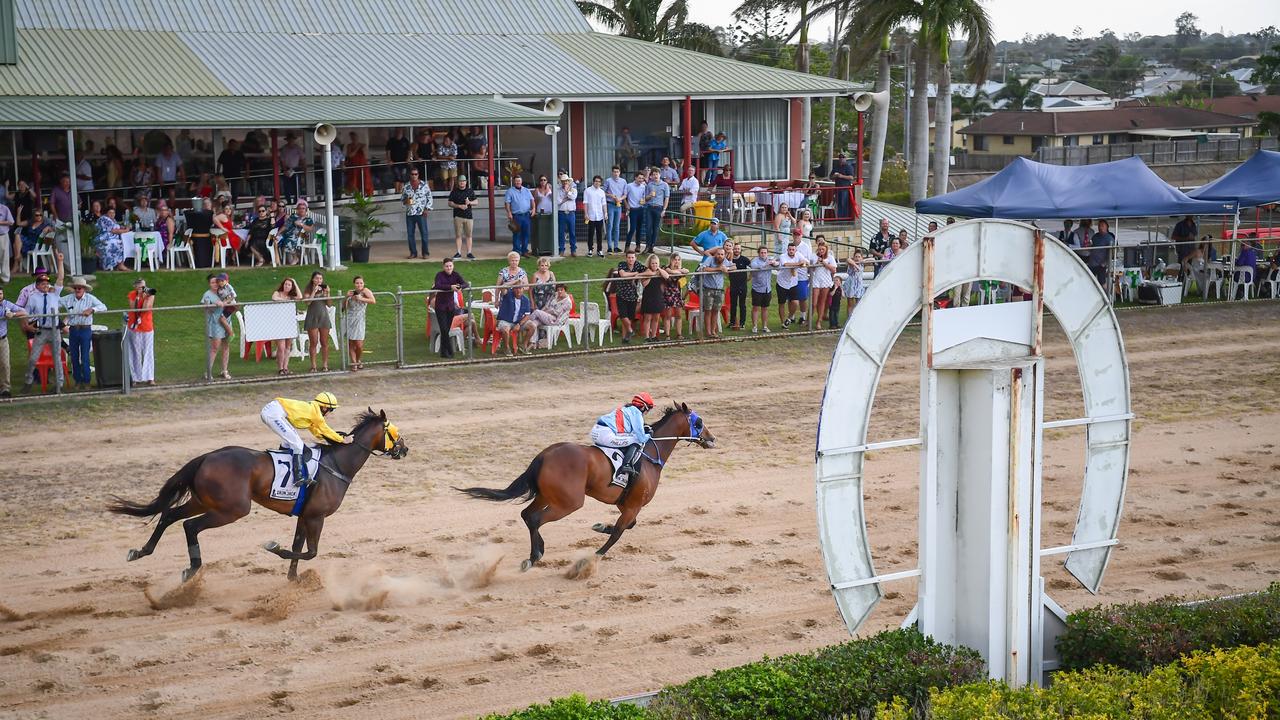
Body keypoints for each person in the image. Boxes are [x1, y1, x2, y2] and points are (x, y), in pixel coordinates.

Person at [259, 392, 346, 488]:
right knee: (297, 444)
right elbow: (325, 429)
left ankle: (282, 466)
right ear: (325, 408)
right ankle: (298, 477)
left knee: (289, 442)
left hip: (275, 412)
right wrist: (342, 439)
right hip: (273, 414)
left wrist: (330, 438)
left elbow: (315, 430)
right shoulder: (315, 413)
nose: (330, 413)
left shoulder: (314, 409)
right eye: (331, 410)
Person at [19, 254, 65, 393]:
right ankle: (28, 381)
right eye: (43, 284)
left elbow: (61, 278)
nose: (46, 286)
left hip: (54, 330)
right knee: (33, 358)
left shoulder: (54, 294)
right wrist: (26, 325)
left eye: (47, 283)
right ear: (38, 285)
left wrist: (60, 261)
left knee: (57, 358)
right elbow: (25, 312)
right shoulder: (33, 298)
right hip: (41, 331)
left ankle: (59, 384)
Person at [589, 392, 656, 484]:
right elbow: (641, 438)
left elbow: (629, 430)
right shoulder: (637, 414)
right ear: (644, 407)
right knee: (637, 440)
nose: (647, 412)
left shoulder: (626, 409)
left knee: (632, 437)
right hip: (605, 435)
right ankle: (626, 464)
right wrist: (649, 434)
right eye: (649, 409)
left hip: (596, 432)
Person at [60, 276, 106, 390]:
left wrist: (92, 310)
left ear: (84, 289)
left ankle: (86, 381)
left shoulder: (90, 298)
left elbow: (103, 307)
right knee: (74, 356)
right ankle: (77, 380)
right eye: (76, 288)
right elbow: (55, 302)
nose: (77, 290)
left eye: (80, 288)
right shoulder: (68, 298)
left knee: (85, 356)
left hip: (85, 329)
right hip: (73, 329)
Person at [430, 259, 467, 359]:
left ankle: (443, 352)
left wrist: (459, 286)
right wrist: (451, 287)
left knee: (446, 329)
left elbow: (465, 283)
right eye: (447, 266)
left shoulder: (455, 275)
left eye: (450, 266)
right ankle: (449, 350)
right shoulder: (439, 275)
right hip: (440, 306)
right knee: (443, 329)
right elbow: (438, 285)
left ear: (453, 266)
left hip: (450, 307)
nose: (449, 268)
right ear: (443, 267)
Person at [519, 283, 571, 353]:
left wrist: (542, 313)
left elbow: (556, 312)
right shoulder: (555, 295)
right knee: (533, 324)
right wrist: (542, 312)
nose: (559, 292)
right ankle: (531, 344)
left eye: (561, 290)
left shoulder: (567, 302)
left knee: (537, 312)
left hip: (555, 320)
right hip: (547, 316)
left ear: (565, 290)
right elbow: (547, 306)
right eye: (558, 290)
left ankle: (522, 324)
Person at [201, 274, 232, 380]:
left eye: (216, 282)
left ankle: (224, 370)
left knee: (226, 346)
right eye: (212, 282)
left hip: (227, 321)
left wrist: (226, 302)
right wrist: (215, 305)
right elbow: (205, 308)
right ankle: (208, 372)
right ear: (209, 284)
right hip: (215, 323)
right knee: (215, 348)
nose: (215, 284)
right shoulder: (207, 294)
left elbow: (232, 298)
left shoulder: (224, 291)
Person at [126, 278, 156, 385]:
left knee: (148, 351)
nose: (143, 289)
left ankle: (150, 377)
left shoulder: (150, 294)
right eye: (140, 287)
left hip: (147, 326)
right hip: (134, 327)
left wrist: (145, 297)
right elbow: (133, 308)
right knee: (135, 352)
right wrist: (138, 297)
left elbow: (146, 308)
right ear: (135, 287)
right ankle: (136, 378)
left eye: (143, 286)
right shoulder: (132, 294)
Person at [0, 285, 28, 397]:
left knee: (5, 364)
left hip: (2, 339)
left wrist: (13, 314)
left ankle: (5, 388)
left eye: (0, 293)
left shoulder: (7, 304)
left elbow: (24, 312)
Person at [271, 278, 302, 376]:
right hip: (279, 323)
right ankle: (280, 368)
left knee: (288, 346)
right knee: (281, 347)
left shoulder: (292, 296)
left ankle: (285, 367)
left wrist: (295, 282)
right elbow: (274, 298)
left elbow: (300, 296)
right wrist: (284, 300)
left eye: (289, 285)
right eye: (286, 284)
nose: (287, 286)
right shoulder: (277, 293)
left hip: (290, 322)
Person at [698, 246, 731, 339]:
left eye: (722, 254)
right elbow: (704, 269)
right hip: (708, 289)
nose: (720, 256)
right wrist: (719, 268)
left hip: (719, 290)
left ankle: (713, 331)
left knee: (716, 311)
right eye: (718, 254)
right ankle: (708, 332)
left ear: (724, 256)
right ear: (715, 254)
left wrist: (727, 269)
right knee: (708, 311)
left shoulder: (725, 261)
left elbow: (733, 266)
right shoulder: (710, 259)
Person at [302, 271, 332, 372]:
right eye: (317, 278)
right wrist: (314, 292)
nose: (319, 280)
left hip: (323, 317)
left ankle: (325, 365)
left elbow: (329, 304)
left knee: (324, 342)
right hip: (312, 317)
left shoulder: (324, 289)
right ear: (312, 279)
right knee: (313, 342)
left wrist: (328, 293)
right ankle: (313, 366)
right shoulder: (308, 289)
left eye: (320, 278)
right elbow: (307, 302)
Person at [344, 276, 376, 368]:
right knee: (351, 343)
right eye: (357, 283)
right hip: (350, 319)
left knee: (359, 344)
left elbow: (373, 301)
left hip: (360, 320)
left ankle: (358, 360)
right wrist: (347, 297)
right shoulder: (351, 292)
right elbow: (343, 308)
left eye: (361, 283)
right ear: (354, 284)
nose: (359, 285)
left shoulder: (365, 291)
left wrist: (361, 298)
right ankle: (354, 363)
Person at [402, 168, 433, 259]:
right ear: (410, 175)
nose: (414, 175)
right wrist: (407, 201)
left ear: (418, 174)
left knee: (424, 233)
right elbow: (402, 199)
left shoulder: (424, 185)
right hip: (410, 213)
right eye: (412, 174)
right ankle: (413, 253)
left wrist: (427, 209)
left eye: (416, 174)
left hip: (421, 213)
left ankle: (425, 253)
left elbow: (429, 197)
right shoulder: (406, 186)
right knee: (410, 234)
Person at [639, 254, 669, 342]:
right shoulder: (646, 271)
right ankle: (647, 337)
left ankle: (654, 335)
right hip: (648, 296)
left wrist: (659, 269)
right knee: (648, 318)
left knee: (656, 318)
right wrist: (651, 275)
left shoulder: (660, 272)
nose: (654, 265)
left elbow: (667, 276)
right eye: (652, 264)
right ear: (649, 264)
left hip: (658, 296)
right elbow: (644, 284)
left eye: (656, 263)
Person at [495, 284, 533, 355]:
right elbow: (503, 287)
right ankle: (506, 348)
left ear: (523, 289)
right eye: (516, 288)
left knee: (532, 326)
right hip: (505, 320)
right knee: (506, 329)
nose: (518, 290)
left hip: (517, 322)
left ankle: (523, 346)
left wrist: (519, 324)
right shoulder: (507, 295)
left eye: (520, 288)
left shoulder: (526, 300)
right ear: (513, 289)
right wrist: (516, 281)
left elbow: (527, 315)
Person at [749, 245, 778, 334]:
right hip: (757, 289)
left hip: (767, 289)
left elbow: (778, 265)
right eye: (761, 252)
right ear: (758, 253)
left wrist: (775, 263)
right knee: (755, 308)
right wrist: (766, 264)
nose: (763, 254)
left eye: (765, 253)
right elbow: (754, 267)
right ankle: (755, 327)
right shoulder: (755, 261)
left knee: (765, 308)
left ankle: (765, 326)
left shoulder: (770, 260)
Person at [615, 250, 642, 343]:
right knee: (623, 316)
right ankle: (630, 331)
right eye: (629, 257)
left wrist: (639, 274)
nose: (631, 259)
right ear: (626, 258)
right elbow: (623, 275)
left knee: (629, 317)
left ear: (635, 258)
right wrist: (635, 274)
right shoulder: (622, 264)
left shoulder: (638, 265)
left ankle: (625, 338)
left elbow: (649, 271)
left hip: (633, 296)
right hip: (621, 295)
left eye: (632, 257)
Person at [504, 174, 533, 257]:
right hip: (516, 216)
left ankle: (525, 250)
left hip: (526, 215)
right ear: (514, 182)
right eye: (516, 181)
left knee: (526, 234)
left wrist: (533, 209)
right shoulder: (510, 191)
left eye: (519, 181)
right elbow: (507, 203)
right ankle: (517, 251)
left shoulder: (527, 190)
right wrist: (509, 212)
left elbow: (532, 200)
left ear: (521, 181)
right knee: (517, 233)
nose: (518, 182)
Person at [810, 240, 837, 332]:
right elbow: (810, 269)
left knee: (822, 302)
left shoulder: (830, 257)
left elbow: (834, 270)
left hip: (825, 281)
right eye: (820, 249)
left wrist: (825, 263)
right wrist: (816, 263)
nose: (821, 251)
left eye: (823, 249)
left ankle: (819, 321)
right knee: (814, 303)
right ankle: (808, 320)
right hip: (816, 280)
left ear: (826, 249)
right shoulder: (813, 256)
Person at [449, 175, 477, 260]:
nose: (462, 183)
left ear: (466, 182)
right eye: (460, 181)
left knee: (469, 235)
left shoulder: (470, 191)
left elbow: (476, 202)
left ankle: (469, 253)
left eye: (463, 181)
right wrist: (459, 206)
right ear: (458, 182)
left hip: (469, 216)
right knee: (458, 235)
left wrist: (469, 203)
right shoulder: (454, 191)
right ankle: (458, 253)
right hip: (458, 216)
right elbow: (450, 203)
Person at [94, 206, 130, 272]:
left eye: (113, 213)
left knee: (121, 242)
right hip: (103, 239)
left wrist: (123, 227)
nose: (112, 214)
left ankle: (119, 264)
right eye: (110, 212)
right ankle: (117, 265)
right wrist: (126, 230)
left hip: (109, 239)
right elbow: (113, 230)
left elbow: (116, 227)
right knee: (118, 243)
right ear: (106, 213)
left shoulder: (113, 220)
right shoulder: (104, 219)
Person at [661, 254, 689, 340]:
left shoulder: (681, 269)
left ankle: (679, 334)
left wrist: (679, 269)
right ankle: (667, 335)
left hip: (677, 295)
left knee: (679, 315)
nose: (676, 261)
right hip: (668, 295)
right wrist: (678, 271)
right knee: (668, 316)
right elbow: (671, 272)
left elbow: (687, 271)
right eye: (674, 259)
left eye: (678, 260)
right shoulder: (666, 268)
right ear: (671, 260)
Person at [279, 200, 314, 264]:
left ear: (306, 209)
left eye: (303, 208)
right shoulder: (293, 217)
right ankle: (278, 261)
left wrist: (301, 224)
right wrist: (278, 233)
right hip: (289, 234)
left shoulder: (308, 219)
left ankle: (295, 258)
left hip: (302, 236)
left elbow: (310, 229)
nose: (301, 210)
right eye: (300, 208)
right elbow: (285, 225)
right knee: (278, 239)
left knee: (289, 241)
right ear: (297, 209)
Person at [776, 241, 803, 328]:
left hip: (793, 283)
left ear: (795, 250)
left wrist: (802, 262)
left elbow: (805, 261)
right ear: (787, 250)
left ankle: (789, 318)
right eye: (790, 249)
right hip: (782, 283)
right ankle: (782, 322)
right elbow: (786, 264)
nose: (791, 251)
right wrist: (798, 264)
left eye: (793, 249)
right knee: (782, 303)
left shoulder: (798, 255)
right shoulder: (783, 256)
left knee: (795, 302)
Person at [603, 165, 627, 255]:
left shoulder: (623, 181)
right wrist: (611, 196)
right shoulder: (608, 181)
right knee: (610, 226)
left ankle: (616, 246)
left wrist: (620, 199)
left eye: (617, 172)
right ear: (612, 172)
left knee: (617, 227)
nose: (616, 173)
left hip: (618, 205)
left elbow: (625, 194)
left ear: (619, 172)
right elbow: (603, 192)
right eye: (614, 172)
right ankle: (609, 247)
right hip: (610, 205)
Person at [186, 197, 216, 268]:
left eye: (208, 203)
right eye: (205, 204)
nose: (207, 205)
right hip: (198, 237)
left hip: (209, 236)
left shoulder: (213, 214)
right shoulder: (198, 214)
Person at [644, 169, 669, 253]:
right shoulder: (649, 185)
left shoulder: (665, 185)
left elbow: (666, 198)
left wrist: (664, 210)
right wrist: (650, 196)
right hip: (650, 207)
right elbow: (645, 198)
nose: (655, 176)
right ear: (651, 176)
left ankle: (652, 246)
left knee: (656, 228)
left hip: (659, 208)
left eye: (657, 174)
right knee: (648, 227)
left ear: (660, 174)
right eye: (654, 174)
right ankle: (647, 246)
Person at [624, 171, 648, 253]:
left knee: (639, 229)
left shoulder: (643, 187)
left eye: (642, 178)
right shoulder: (629, 186)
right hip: (633, 209)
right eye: (639, 178)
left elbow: (644, 197)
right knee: (632, 228)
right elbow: (624, 196)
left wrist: (643, 201)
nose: (641, 180)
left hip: (641, 208)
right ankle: (627, 246)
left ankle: (638, 246)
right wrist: (627, 205)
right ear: (635, 178)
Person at [1088, 219, 1116, 291]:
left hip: (1101, 264)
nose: (1100, 227)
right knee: (1089, 279)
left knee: (1102, 281)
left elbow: (1112, 253)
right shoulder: (1095, 236)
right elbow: (1091, 247)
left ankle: (1107, 296)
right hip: (1092, 263)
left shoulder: (1109, 238)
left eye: (1102, 226)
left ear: (1107, 227)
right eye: (1099, 226)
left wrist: (1105, 262)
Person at [583, 175, 607, 257]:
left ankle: (599, 250)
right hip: (591, 215)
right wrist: (586, 214)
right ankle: (590, 249)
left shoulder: (602, 192)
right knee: (591, 233)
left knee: (600, 233)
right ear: (593, 182)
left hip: (599, 215)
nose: (597, 183)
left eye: (599, 182)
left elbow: (604, 204)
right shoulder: (587, 191)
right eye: (596, 181)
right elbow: (585, 203)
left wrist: (605, 213)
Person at [278, 133, 304, 204]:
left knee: (297, 186)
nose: (290, 141)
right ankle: (288, 201)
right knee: (287, 186)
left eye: (292, 139)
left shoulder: (298, 148)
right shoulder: (284, 149)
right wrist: (285, 170)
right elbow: (282, 160)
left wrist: (304, 168)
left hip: (295, 169)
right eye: (289, 139)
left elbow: (302, 159)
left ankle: (297, 201)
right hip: (287, 168)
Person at [556, 176, 578, 257]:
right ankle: (561, 249)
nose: (565, 182)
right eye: (563, 181)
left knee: (572, 232)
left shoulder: (574, 190)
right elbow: (558, 202)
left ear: (569, 182)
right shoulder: (558, 191)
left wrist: (567, 192)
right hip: (561, 213)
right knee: (561, 232)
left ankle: (573, 249)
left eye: (566, 181)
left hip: (571, 213)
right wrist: (567, 197)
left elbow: (573, 197)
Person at [842, 249, 867, 319]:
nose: (857, 258)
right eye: (856, 256)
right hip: (851, 285)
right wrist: (855, 265)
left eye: (859, 257)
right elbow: (848, 259)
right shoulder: (851, 263)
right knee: (850, 303)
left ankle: (857, 318)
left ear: (861, 257)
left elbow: (873, 259)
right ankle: (849, 318)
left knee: (858, 303)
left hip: (859, 285)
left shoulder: (862, 264)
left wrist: (863, 261)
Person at [386, 128, 412, 194]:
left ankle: (401, 191)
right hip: (394, 162)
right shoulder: (391, 141)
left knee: (403, 176)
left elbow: (409, 150)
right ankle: (397, 191)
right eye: (397, 132)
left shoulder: (405, 140)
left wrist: (408, 158)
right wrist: (389, 160)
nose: (398, 133)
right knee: (396, 176)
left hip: (403, 162)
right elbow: (388, 151)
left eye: (400, 132)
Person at [831, 152, 855, 218]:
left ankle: (844, 218)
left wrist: (841, 176)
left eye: (843, 157)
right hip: (837, 188)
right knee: (838, 204)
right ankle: (839, 218)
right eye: (840, 157)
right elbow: (830, 177)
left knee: (844, 203)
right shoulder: (836, 166)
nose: (841, 159)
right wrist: (835, 176)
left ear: (845, 158)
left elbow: (851, 177)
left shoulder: (849, 167)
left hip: (845, 188)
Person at [0, 200, 13, 284]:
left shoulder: (4, 208)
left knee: (4, 256)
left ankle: (5, 278)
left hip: (2, 235)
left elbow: (11, 222)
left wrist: (0, 222)